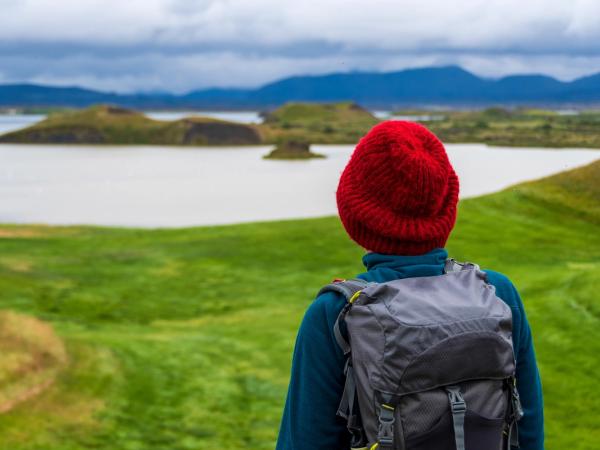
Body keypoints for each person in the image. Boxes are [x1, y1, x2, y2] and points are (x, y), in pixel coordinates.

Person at [275, 121, 544, 450]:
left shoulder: (336, 313)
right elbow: (527, 429)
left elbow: (305, 442)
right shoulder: (498, 293)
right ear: (446, 208)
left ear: (354, 215)